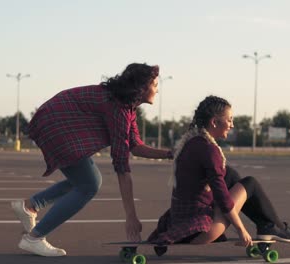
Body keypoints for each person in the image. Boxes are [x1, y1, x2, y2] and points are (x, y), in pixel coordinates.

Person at [10, 63, 174, 257]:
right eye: (155, 84)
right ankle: (34, 238)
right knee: (89, 184)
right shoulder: (119, 109)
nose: (157, 89)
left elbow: (135, 145)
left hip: (54, 121)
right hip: (57, 126)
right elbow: (122, 166)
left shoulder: (126, 107)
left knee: (85, 180)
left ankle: (30, 206)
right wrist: (131, 217)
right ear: (142, 86)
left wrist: (169, 154)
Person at [147, 95, 290, 255]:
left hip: (180, 225)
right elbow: (222, 199)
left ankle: (268, 226)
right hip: (200, 231)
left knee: (230, 175)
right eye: (230, 120)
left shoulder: (190, 143)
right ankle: (276, 227)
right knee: (250, 183)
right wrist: (241, 230)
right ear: (214, 122)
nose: (232, 125)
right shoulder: (209, 150)